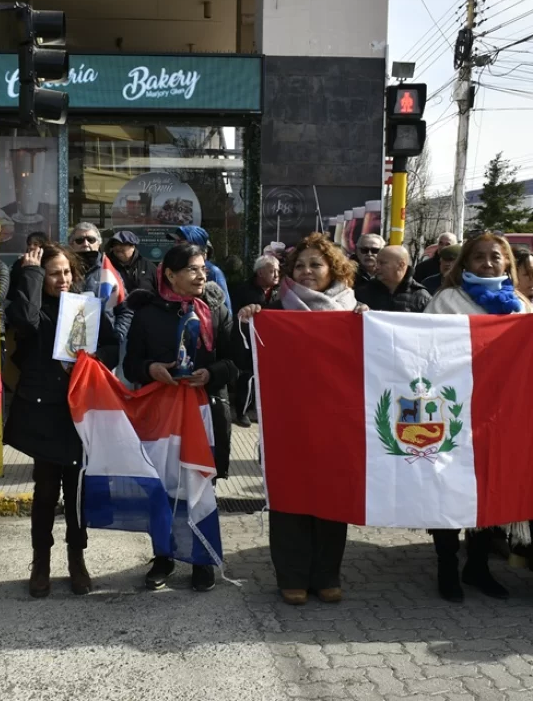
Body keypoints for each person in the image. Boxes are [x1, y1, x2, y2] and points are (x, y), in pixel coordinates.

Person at [238, 233, 366, 606]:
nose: (307, 271)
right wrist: (248, 321)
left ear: (334, 269)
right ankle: (291, 576)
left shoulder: (354, 311)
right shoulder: (273, 310)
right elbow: (245, 362)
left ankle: (327, 574)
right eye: (299, 266)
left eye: (316, 264)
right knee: (290, 499)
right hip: (289, 425)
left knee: (332, 499)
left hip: (338, 425)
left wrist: (369, 325)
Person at [4, 242, 118, 598]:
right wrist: (32, 275)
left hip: (78, 411)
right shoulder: (33, 303)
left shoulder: (85, 305)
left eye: (66, 271)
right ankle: (41, 562)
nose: (62, 279)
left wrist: (93, 359)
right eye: (54, 273)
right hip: (44, 412)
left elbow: (113, 344)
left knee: (77, 493)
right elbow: (25, 321)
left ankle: (76, 559)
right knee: (46, 491)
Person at [124, 243, 238, 592]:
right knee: (162, 487)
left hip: (206, 411)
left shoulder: (214, 310)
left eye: (203, 267)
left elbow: (235, 363)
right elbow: (130, 365)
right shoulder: (147, 314)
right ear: (170, 275)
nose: (201, 274)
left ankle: (201, 559)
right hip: (161, 417)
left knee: (200, 486)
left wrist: (212, 373)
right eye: (192, 268)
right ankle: (164, 557)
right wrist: (151, 368)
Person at [425, 232, 531, 603]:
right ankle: (446, 566)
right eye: (479, 257)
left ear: (508, 264)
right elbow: (426, 353)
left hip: (501, 413)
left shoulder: (519, 304)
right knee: (448, 490)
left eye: (496, 257)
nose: (488, 263)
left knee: (489, 487)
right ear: (465, 263)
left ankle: (478, 566)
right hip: (456, 410)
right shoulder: (447, 301)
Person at [231, 254, 280, 427]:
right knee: (248, 376)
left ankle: (258, 410)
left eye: (278, 271)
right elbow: (234, 316)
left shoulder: (280, 292)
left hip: (271, 342)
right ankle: (241, 412)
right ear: (260, 273)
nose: (276, 274)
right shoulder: (243, 290)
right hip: (247, 341)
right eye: (272, 271)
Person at [68, 222, 132, 340]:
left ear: (99, 243)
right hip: (68, 345)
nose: (85, 244)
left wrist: (117, 334)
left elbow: (126, 309)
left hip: (104, 347)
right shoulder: (64, 270)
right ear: (71, 244)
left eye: (91, 239)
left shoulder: (110, 272)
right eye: (79, 240)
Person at [168, 226, 232, 314]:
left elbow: (225, 312)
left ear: (195, 245)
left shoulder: (213, 272)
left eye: (180, 242)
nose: (175, 245)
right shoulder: (171, 268)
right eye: (175, 241)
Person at [355, 246, 431, 313]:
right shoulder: (362, 293)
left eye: (382, 263)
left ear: (401, 265)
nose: (377, 267)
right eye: (377, 262)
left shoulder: (421, 298)